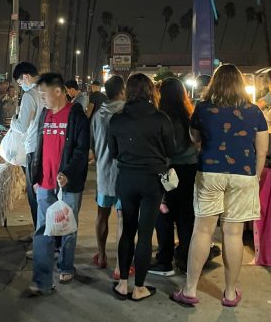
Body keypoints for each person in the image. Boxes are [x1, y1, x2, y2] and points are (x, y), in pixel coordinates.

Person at [172, 64, 268, 308]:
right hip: (243, 175)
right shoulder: (254, 111)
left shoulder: (203, 109)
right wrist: (254, 176)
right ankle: (229, 292)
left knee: (202, 231)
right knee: (233, 233)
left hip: (210, 172)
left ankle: (190, 289)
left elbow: (194, 138)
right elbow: (262, 149)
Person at [109, 73, 175, 302]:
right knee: (145, 234)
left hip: (126, 179)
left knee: (128, 230)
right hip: (152, 180)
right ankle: (139, 288)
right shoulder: (161, 118)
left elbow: (113, 151)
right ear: (150, 91)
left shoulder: (117, 119)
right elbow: (170, 150)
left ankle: (122, 284)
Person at [27, 73, 90, 295]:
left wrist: (68, 173)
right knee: (43, 230)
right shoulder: (44, 114)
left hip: (68, 185)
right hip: (45, 183)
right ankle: (42, 279)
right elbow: (38, 145)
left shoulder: (76, 115)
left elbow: (82, 150)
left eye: (43, 93)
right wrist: (36, 178)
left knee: (67, 227)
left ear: (58, 91)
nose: (41, 97)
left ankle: (65, 265)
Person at [149, 77, 197, 276]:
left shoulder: (161, 118)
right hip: (190, 170)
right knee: (186, 217)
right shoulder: (190, 116)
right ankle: (186, 260)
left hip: (168, 171)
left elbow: (161, 150)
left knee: (164, 214)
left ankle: (164, 261)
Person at [90, 75, 127, 279]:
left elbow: (93, 145)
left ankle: (102, 256)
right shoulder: (127, 112)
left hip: (104, 172)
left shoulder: (98, 115)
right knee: (123, 218)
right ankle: (121, 266)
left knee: (102, 215)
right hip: (124, 173)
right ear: (122, 90)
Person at [11, 62, 44, 230]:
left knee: (34, 195)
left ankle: (39, 238)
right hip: (50, 148)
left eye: (19, 82)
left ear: (26, 76)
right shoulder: (49, 90)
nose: (20, 86)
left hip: (34, 150)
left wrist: (13, 121)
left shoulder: (30, 95)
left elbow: (22, 126)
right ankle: (48, 238)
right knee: (46, 194)